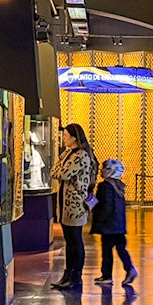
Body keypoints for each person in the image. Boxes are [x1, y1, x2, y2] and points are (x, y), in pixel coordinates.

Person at [50, 123, 97, 289]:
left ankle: (76, 276)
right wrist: (60, 167)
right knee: (69, 241)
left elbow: (62, 173)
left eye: (66, 136)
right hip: (65, 205)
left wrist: (60, 168)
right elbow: (54, 171)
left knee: (75, 240)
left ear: (74, 138)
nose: (63, 138)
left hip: (75, 205)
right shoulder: (68, 153)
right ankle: (67, 274)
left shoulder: (81, 155)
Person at [90, 158, 137, 286]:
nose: (101, 171)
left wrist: (97, 218)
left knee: (107, 251)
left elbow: (105, 205)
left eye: (104, 169)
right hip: (118, 224)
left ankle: (107, 275)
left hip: (108, 225)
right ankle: (129, 268)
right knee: (121, 248)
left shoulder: (104, 186)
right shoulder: (119, 186)